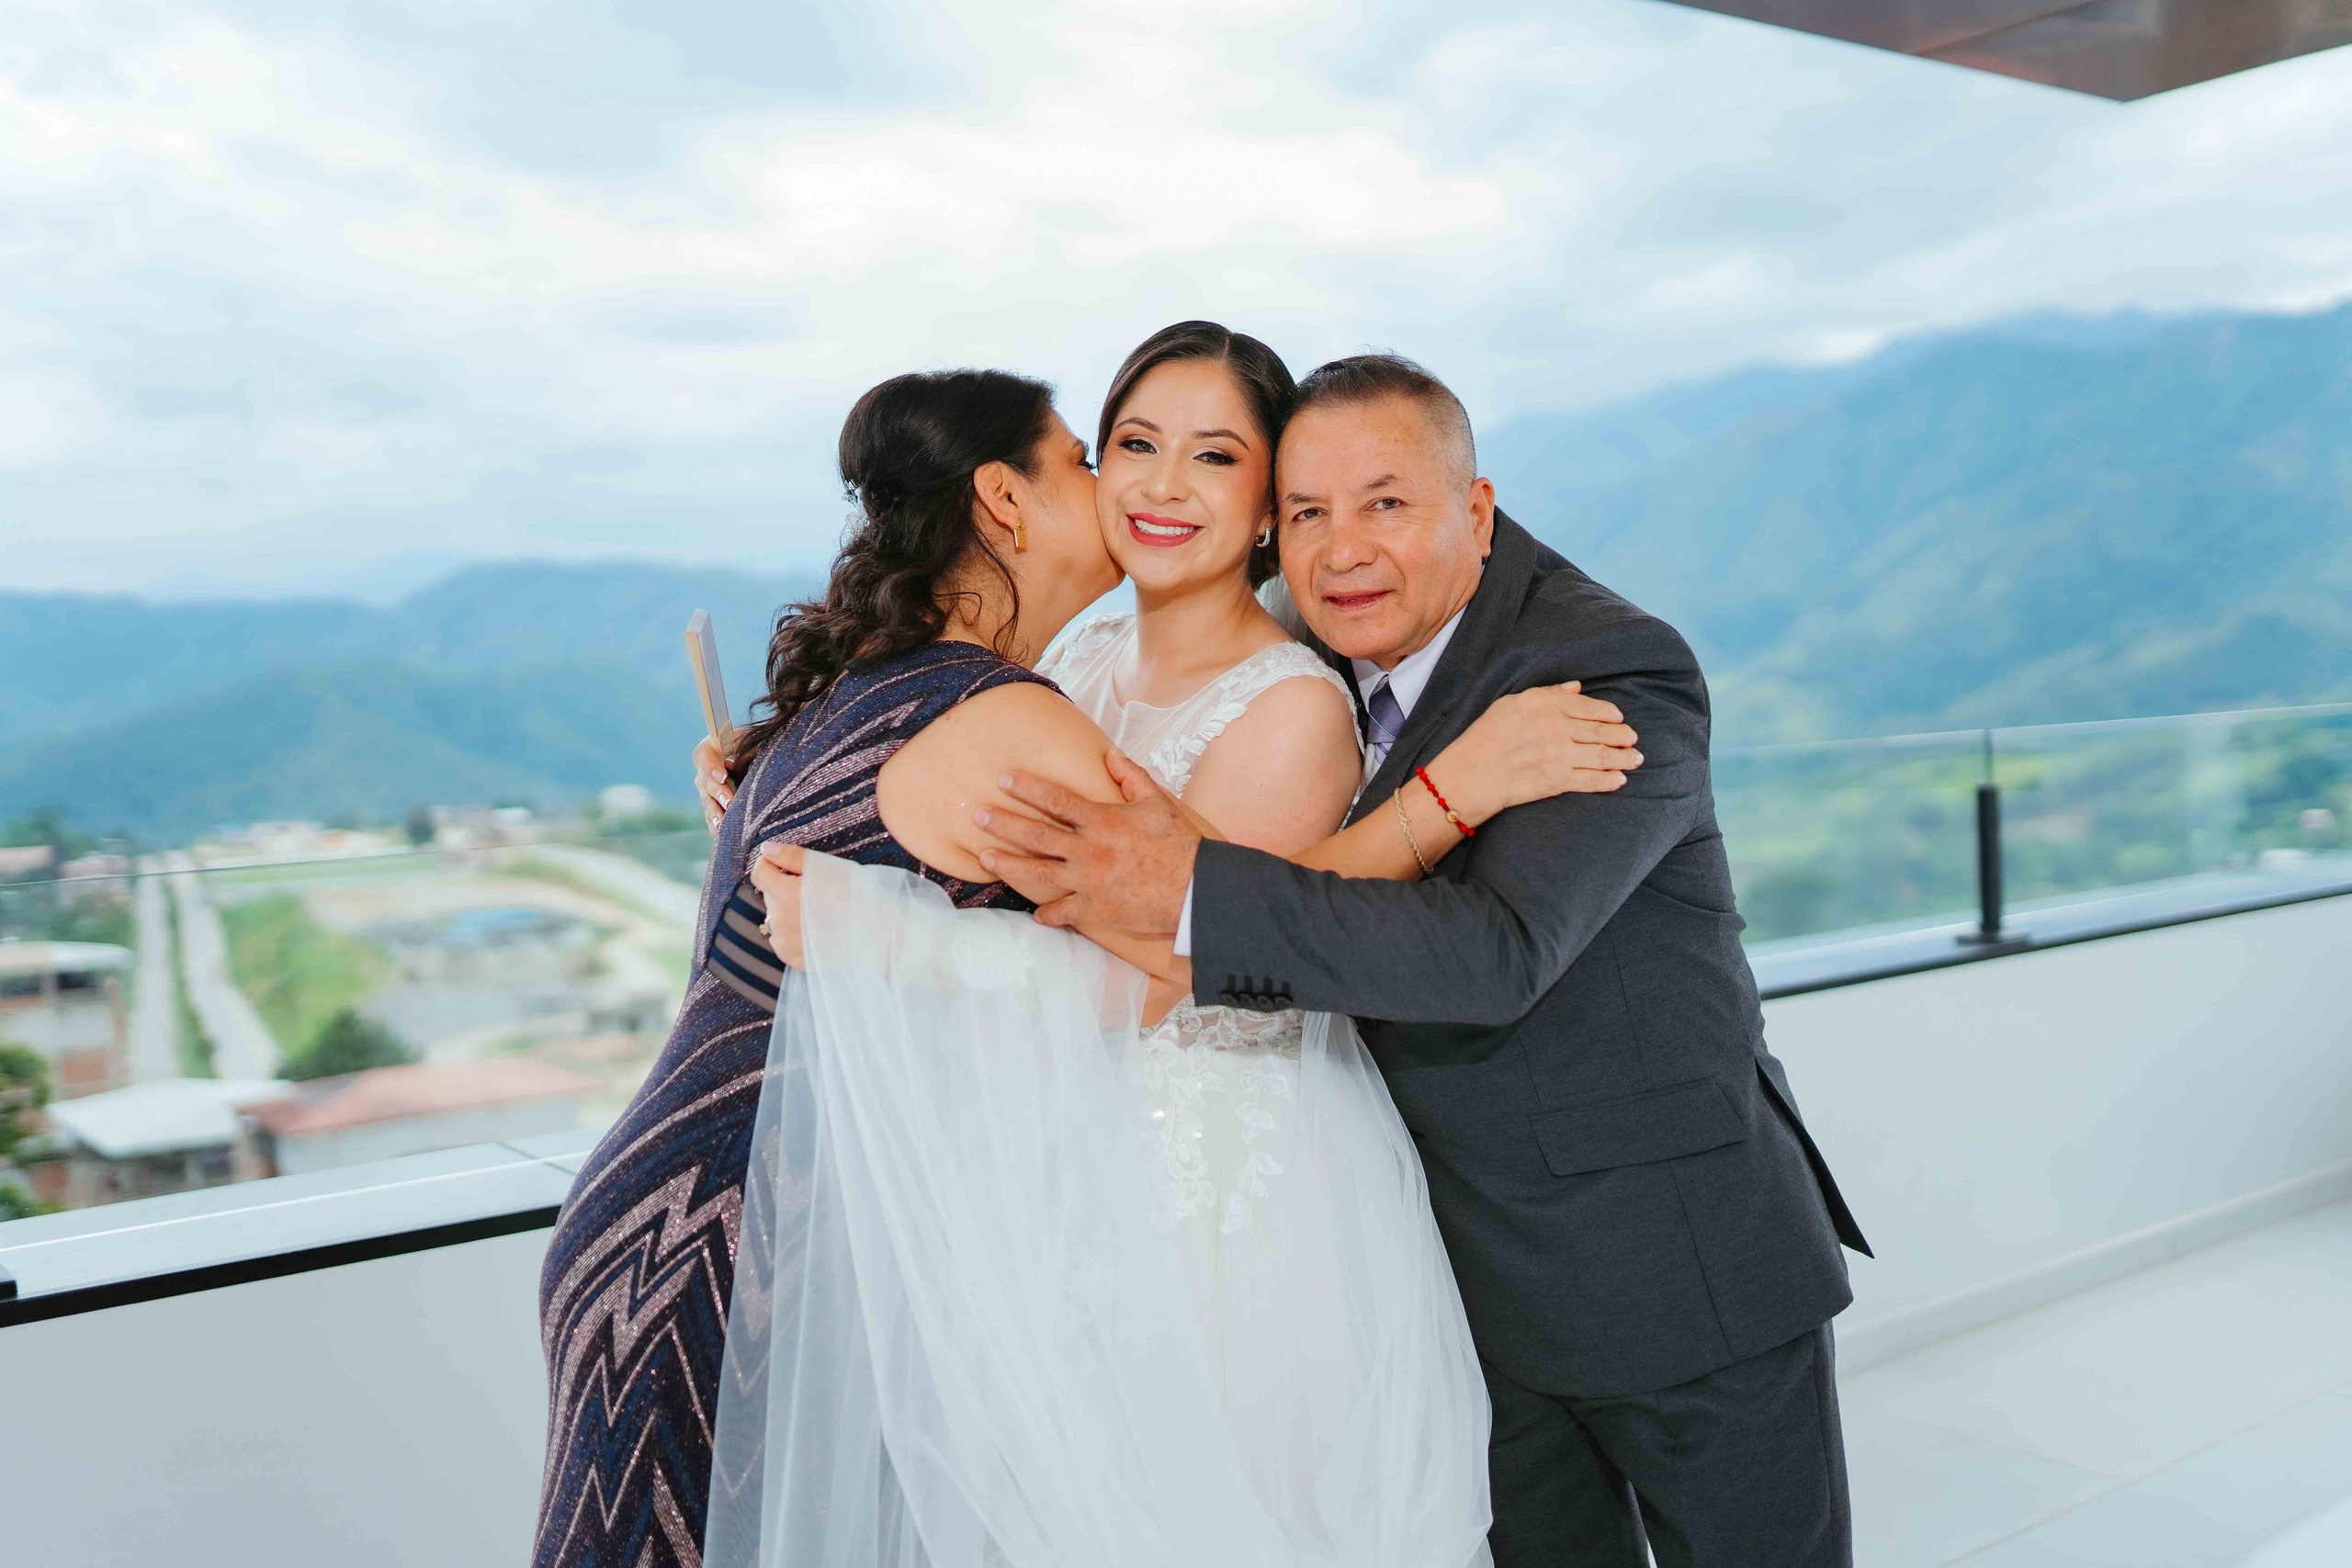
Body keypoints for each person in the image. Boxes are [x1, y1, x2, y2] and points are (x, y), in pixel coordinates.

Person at [547, 345, 1640, 1568]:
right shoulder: (1065, 666)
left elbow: (1208, 956)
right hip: (1041, 1191)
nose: (1161, 482)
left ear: (1266, 505)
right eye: (1125, 447)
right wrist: (774, 782)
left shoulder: (1285, 703)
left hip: (1214, 1195)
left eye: (1215, 455)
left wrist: (885, 929)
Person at [977, 354, 1875, 1568]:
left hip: (1672, 1267)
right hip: (1457, 1285)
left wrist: (1183, 892)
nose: (1343, 549)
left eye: (1386, 503)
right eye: (1308, 512)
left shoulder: (1606, 668)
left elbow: (1497, 952)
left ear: (1477, 510)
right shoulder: (1303, 635)